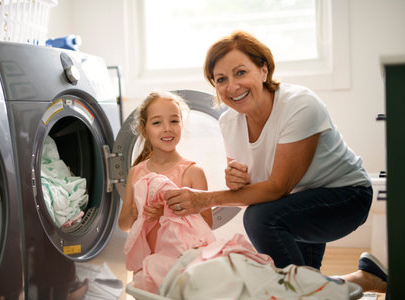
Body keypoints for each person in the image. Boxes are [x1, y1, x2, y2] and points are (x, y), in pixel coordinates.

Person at [164, 31, 387, 293]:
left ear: (263, 70)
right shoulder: (229, 122)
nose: (232, 86)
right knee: (305, 282)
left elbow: (277, 187)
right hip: (296, 203)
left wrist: (203, 199)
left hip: (346, 197)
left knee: (259, 220)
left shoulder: (299, 104)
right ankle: (365, 279)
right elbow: (254, 190)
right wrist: (238, 181)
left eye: (240, 72)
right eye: (220, 79)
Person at [118, 90, 214, 292]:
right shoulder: (137, 173)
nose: (167, 129)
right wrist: (136, 213)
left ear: (182, 124)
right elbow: (124, 224)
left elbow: (207, 224)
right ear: (143, 130)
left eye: (174, 121)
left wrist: (168, 214)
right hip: (146, 262)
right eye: (157, 123)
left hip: (181, 263)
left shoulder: (192, 172)